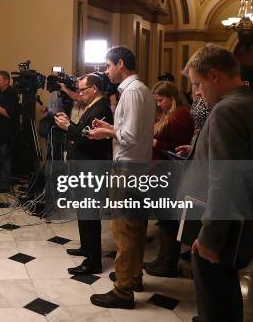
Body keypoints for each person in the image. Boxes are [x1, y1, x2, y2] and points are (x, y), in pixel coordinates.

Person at [184, 44, 253, 321]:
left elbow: (223, 179)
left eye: (198, 84)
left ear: (214, 76)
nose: (198, 93)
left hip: (222, 227)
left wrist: (210, 237)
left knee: (215, 301)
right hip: (242, 219)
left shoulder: (226, 110)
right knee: (225, 291)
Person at [88, 46, 155, 309]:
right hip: (136, 167)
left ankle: (123, 291)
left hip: (128, 169)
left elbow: (130, 137)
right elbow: (129, 131)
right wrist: (109, 127)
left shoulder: (133, 92)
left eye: (108, 66)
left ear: (120, 63)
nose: (106, 71)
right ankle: (133, 277)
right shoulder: (137, 90)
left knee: (124, 230)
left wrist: (106, 134)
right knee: (135, 227)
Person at [54, 73, 113, 275]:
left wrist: (68, 127)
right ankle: (87, 248)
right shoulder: (93, 106)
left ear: (94, 89)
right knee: (83, 211)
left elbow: (90, 140)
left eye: (82, 90)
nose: (79, 93)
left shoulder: (102, 108)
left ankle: (93, 261)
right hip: (83, 166)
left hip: (92, 167)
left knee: (90, 214)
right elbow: (83, 130)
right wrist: (69, 124)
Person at [144, 81, 194, 278]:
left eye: (161, 100)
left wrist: (155, 142)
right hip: (160, 171)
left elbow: (177, 147)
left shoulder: (180, 115)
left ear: (172, 97)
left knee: (168, 220)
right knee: (164, 219)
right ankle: (163, 259)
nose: (159, 104)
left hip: (169, 173)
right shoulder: (170, 115)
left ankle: (168, 263)